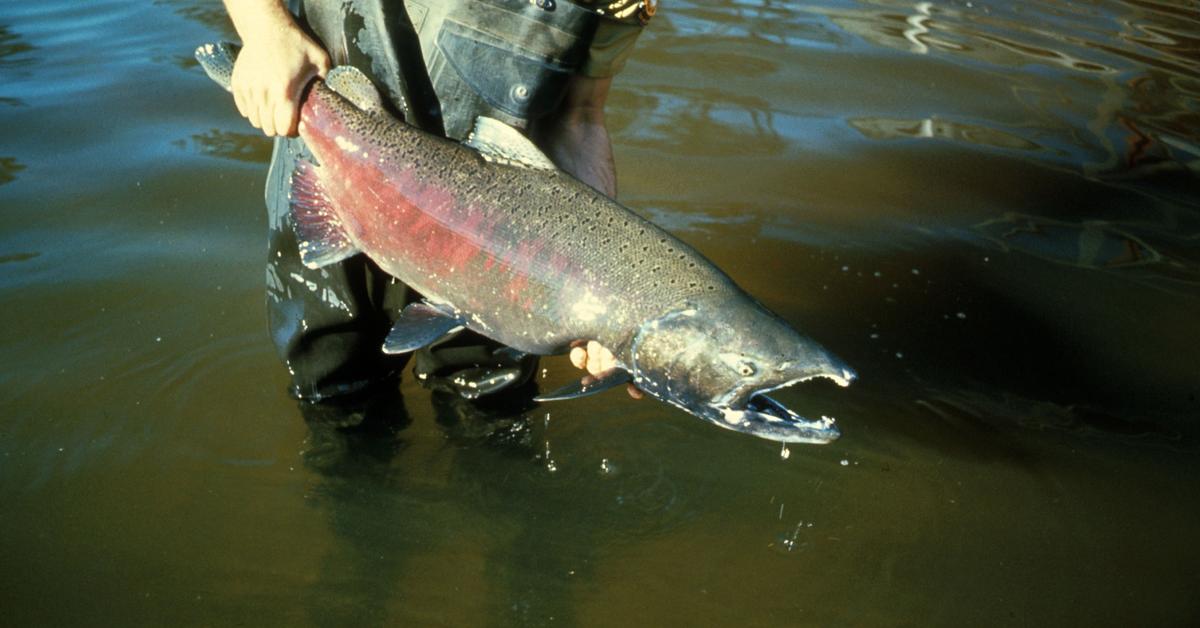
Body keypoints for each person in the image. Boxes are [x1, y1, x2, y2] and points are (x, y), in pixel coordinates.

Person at [221, 0, 650, 405]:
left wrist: (599, 285)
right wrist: (263, 27)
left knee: (488, 407)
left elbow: (581, 113)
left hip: (501, 240)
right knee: (335, 382)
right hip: (342, 144)